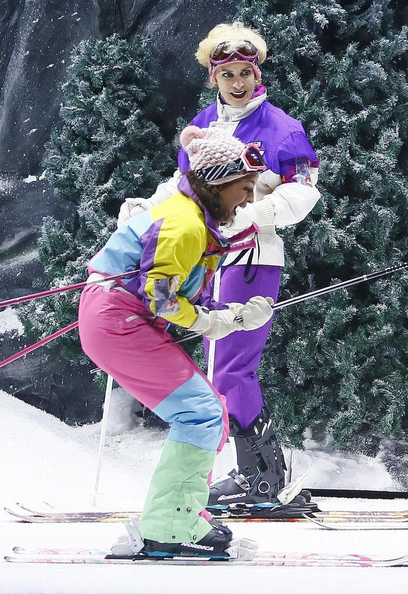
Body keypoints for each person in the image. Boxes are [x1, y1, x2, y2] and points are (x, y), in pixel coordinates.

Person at [79, 126, 274, 559]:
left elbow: (170, 294)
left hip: (115, 316)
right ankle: (168, 526)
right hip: (116, 319)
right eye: (244, 189)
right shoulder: (185, 223)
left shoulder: (191, 217)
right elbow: (163, 297)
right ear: (218, 183)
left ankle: (183, 513)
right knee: (201, 412)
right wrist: (216, 321)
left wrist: (228, 317)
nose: (248, 200)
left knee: (207, 411)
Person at [174, 24, 320, 511]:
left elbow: (304, 192)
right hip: (209, 259)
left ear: (257, 73)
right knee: (225, 369)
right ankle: (259, 475)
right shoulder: (202, 125)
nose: (237, 83)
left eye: (245, 72)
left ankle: (260, 479)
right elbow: (181, 189)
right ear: (213, 78)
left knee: (231, 369)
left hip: (253, 257)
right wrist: (146, 213)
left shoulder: (281, 126)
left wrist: (251, 214)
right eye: (227, 74)